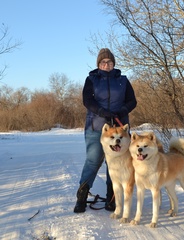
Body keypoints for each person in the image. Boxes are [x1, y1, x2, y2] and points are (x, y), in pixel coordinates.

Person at [74, 48, 137, 213]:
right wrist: (102, 112)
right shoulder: (91, 79)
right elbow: (87, 100)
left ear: (113, 63)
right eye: (103, 62)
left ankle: (112, 199)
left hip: (119, 127)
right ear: (98, 64)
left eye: (109, 62)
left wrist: (122, 111)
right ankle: (81, 197)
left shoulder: (123, 80)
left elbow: (132, 101)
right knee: (93, 160)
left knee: (115, 162)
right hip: (96, 127)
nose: (106, 64)